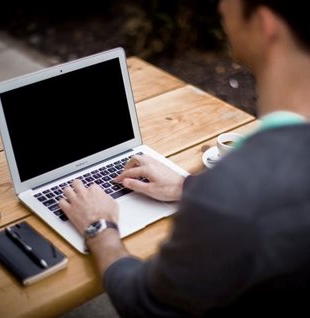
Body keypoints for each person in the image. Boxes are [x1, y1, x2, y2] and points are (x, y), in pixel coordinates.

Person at [59, 0, 310, 316]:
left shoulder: (236, 190)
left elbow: (144, 304)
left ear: (264, 24)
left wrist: (100, 228)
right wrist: (186, 185)